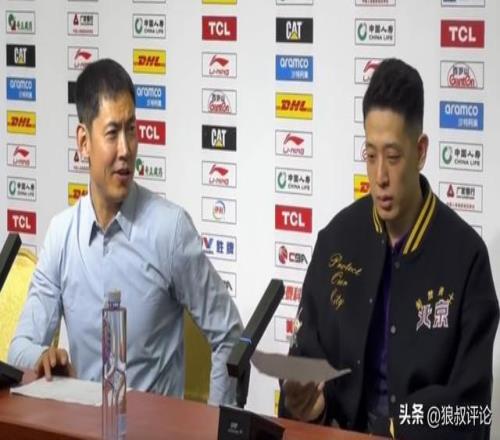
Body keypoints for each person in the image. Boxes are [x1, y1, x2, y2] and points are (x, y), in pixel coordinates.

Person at [278, 58, 499, 439]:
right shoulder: (336, 241)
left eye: (393, 157)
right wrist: (312, 407)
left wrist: (394, 427)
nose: (380, 176)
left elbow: (472, 410)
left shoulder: (467, 259)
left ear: (421, 150)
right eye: (371, 155)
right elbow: (305, 364)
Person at [8, 58, 243, 405]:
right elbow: (19, 349)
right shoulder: (61, 234)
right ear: (84, 142)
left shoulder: (170, 230)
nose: (125, 149)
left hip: (155, 429)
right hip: (79, 426)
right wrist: (42, 357)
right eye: (112, 133)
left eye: (131, 130)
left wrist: (217, 424)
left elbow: (230, 337)